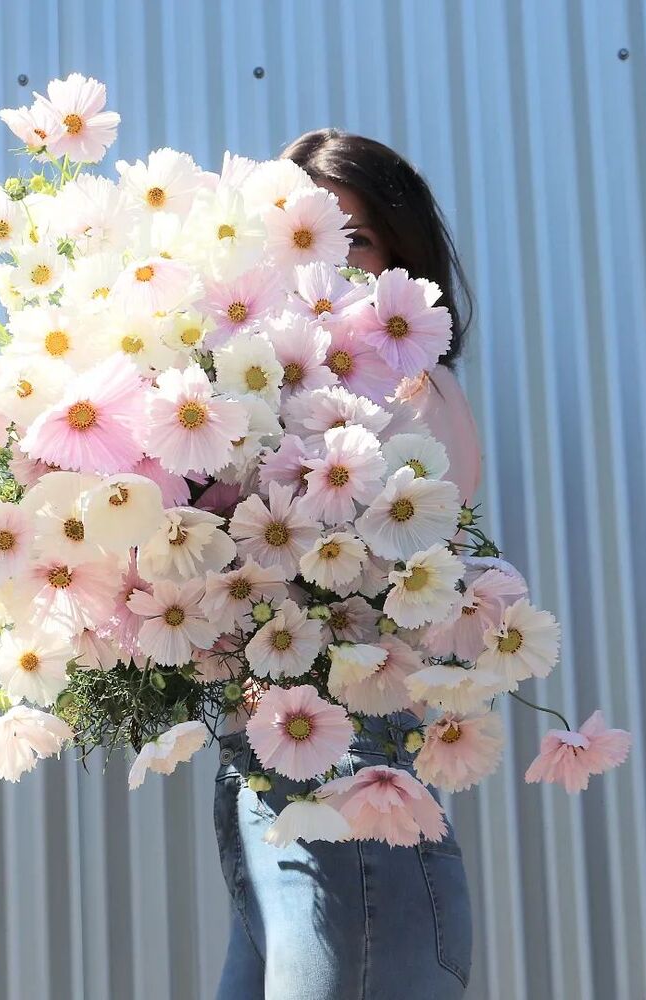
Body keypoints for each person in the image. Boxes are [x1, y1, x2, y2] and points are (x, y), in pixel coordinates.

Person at [212, 129, 481, 999]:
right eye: (300, 236)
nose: (320, 262)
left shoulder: (411, 391)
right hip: (275, 750)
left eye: (353, 238)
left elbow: (374, 575)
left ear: (402, 257)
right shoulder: (255, 387)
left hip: (353, 748)